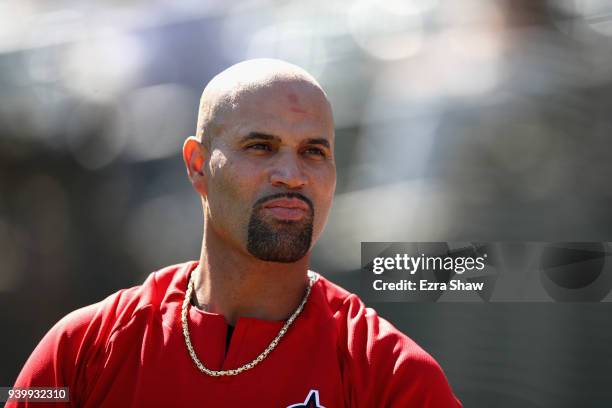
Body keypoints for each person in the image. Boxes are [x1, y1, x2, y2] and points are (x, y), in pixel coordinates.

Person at [9, 59, 462, 407]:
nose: (291, 174)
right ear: (198, 165)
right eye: (260, 147)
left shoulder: (390, 376)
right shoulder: (83, 350)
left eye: (314, 152)